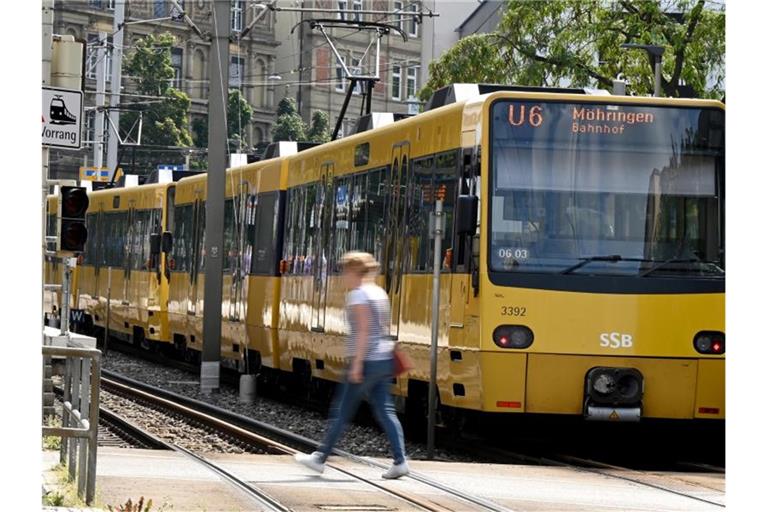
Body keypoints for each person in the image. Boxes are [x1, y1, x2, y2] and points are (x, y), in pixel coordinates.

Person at [294, 251, 409, 479]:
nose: (343, 276)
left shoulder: (358, 295)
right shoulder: (379, 293)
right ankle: (400, 461)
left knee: (342, 411)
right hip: (383, 359)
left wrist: (356, 363)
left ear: (355, 271)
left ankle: (319, 458)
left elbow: (364, 331)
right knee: (385, 411)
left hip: (365, 361)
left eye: (345, 271)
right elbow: (382, 328)